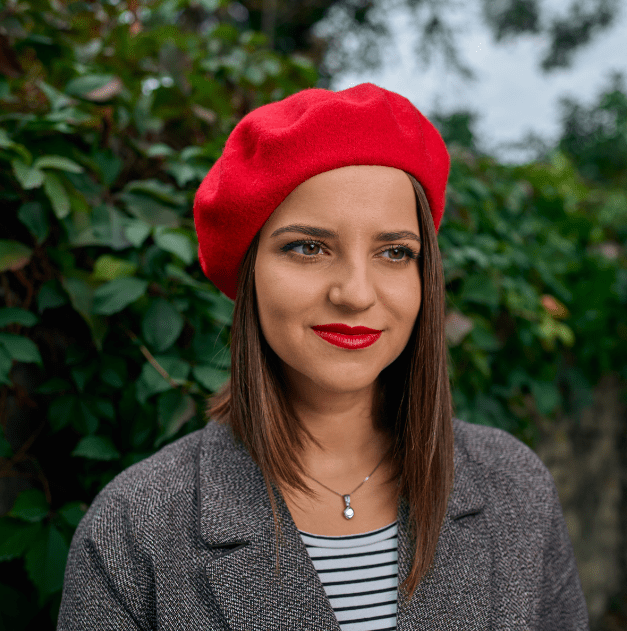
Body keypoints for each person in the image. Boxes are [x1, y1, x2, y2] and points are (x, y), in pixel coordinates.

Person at [57, 83, 589, 630]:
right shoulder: (132, 531)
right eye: (308, 247)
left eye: (393, 252)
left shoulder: (517, 487)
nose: (356, 293)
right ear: (250, 272)